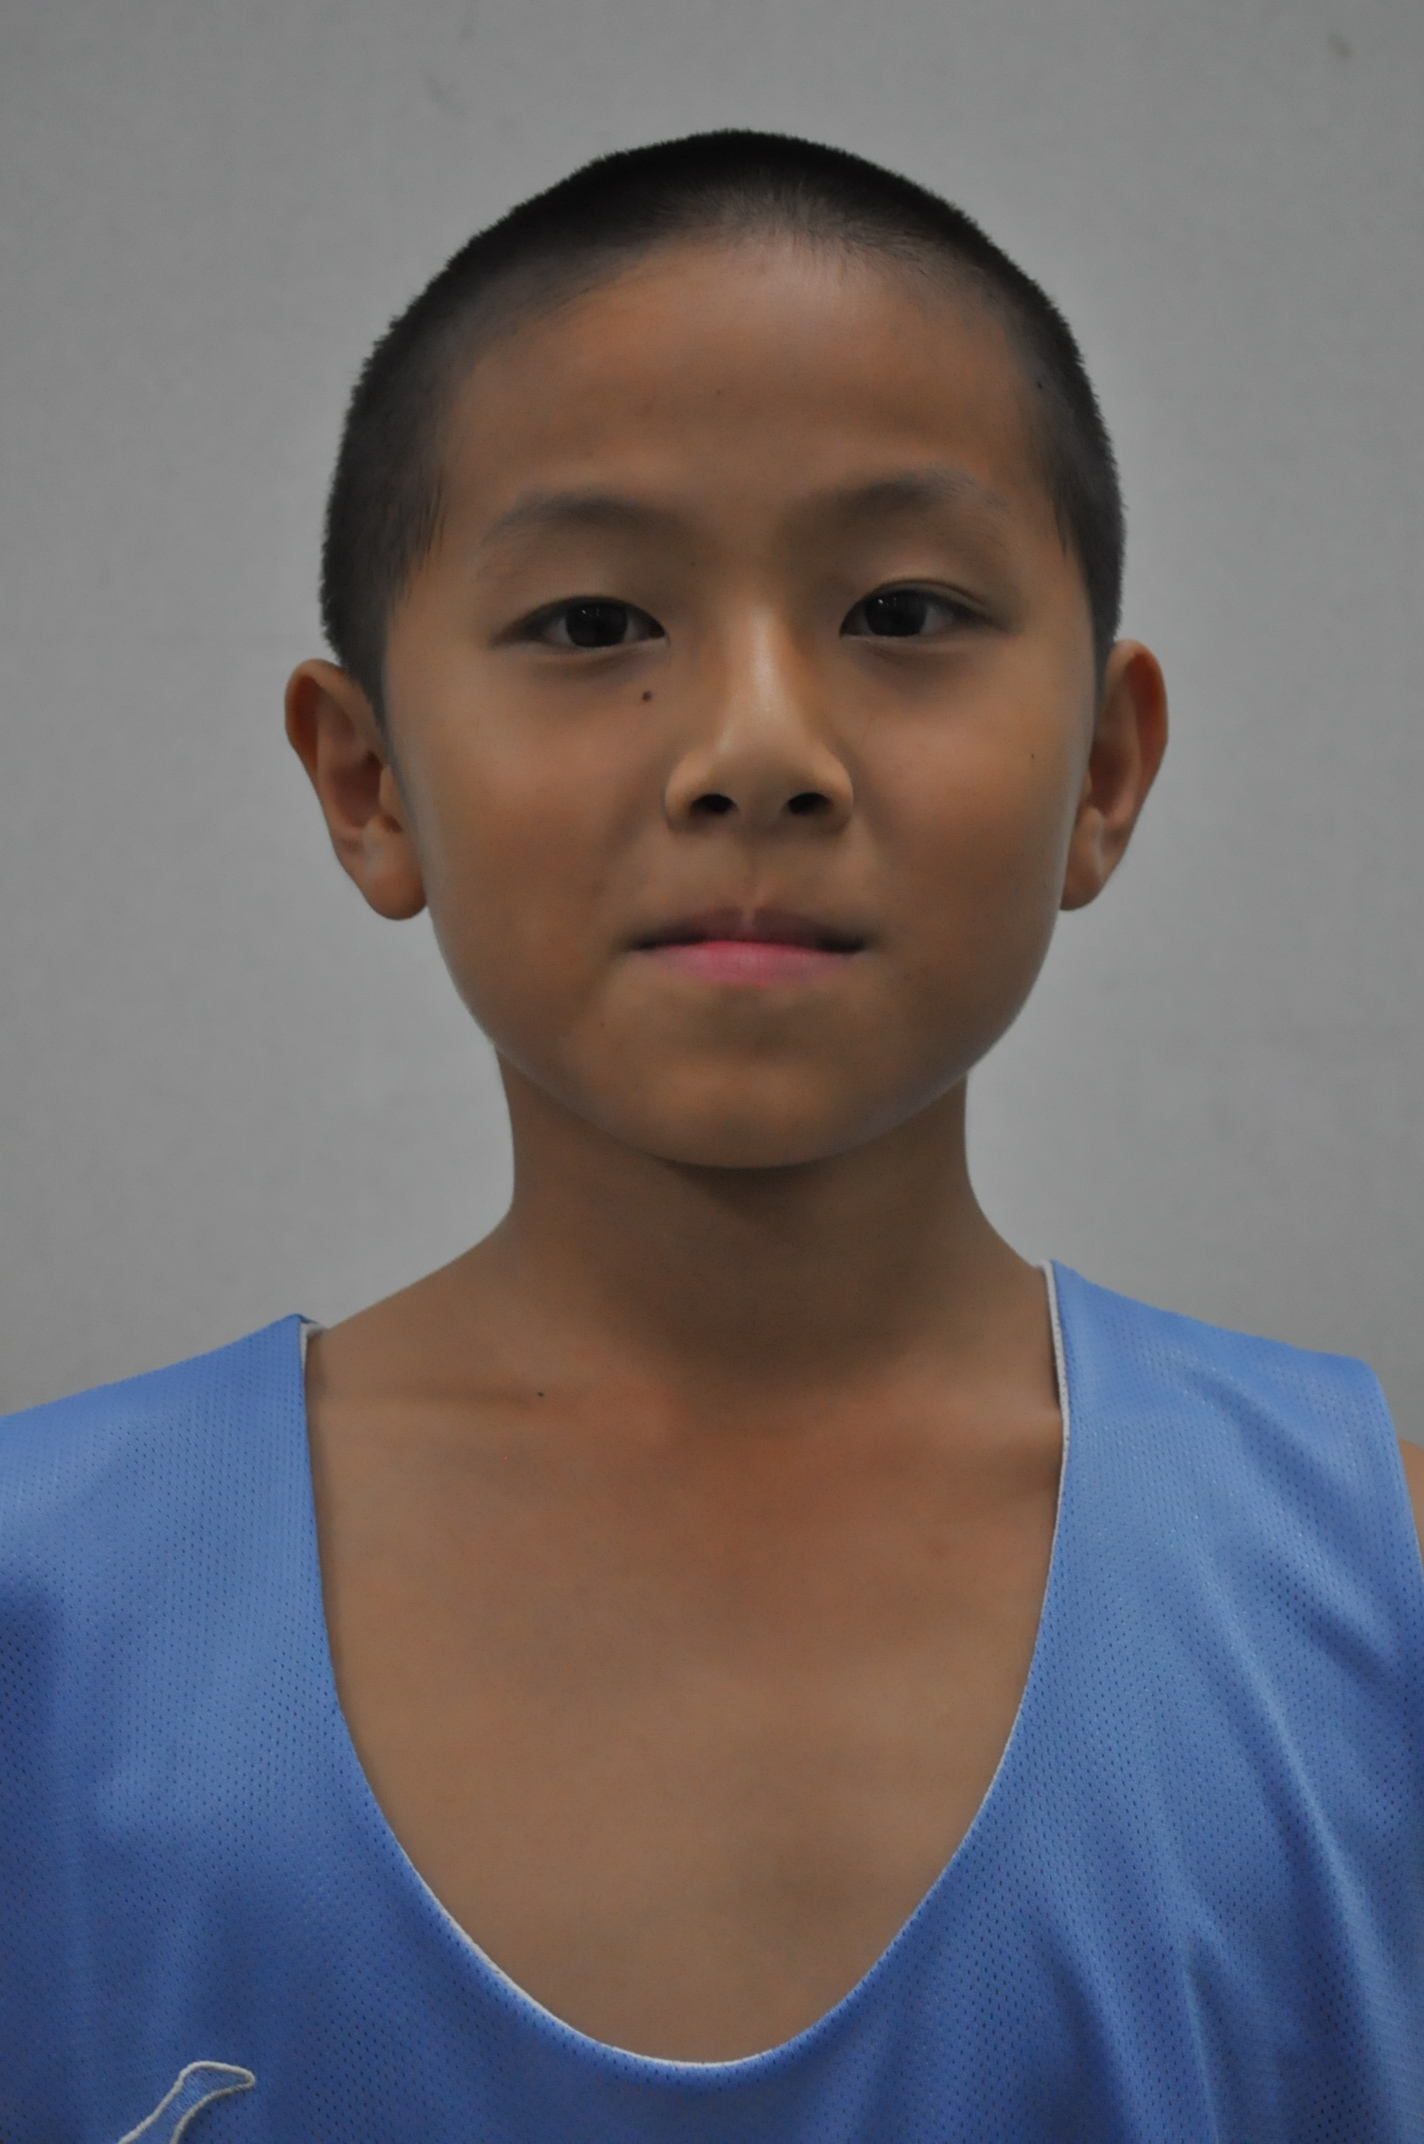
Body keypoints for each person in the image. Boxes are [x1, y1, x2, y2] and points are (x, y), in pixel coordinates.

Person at [3, 131, 1421, 2143]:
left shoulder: (1374, 1599)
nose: (756, 743)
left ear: (1103, 769)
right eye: (593, 623)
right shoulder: (45, 1613)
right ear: (368, 779)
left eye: (904, 608)